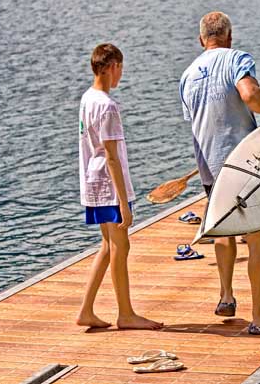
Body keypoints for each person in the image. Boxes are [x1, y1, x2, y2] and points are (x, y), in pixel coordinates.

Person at [179, 11, 260, 335]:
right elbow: (250, 94)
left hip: (209, 166)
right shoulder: (236, 58)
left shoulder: (187, 74)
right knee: (256, 236)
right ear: (229, 36)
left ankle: (226, 295)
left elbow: (197, 120)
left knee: (223, 231)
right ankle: (258, 318)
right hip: (243, 163)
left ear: (201, 40)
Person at [77, 43, 163, 330]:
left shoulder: (87, 98)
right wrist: (124, 202)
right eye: (120, 69)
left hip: (92, 182)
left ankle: (86, 310)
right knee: (120, 245)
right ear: (112, 66)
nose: (121, 75)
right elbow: (112, 157)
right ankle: (126, 314)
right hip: (108, 186)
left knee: (107, 246)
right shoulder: (107, 106)